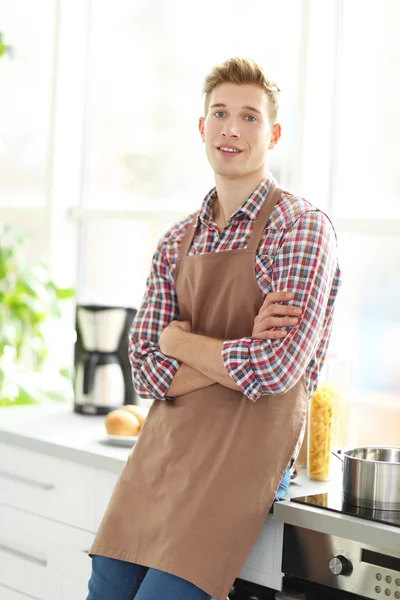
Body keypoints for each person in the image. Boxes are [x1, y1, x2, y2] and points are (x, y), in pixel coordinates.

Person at [86, 57, 342, 600]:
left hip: (239, 464)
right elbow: (148, 373)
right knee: (103, 592)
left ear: (272, 134)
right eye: (219, 113)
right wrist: (236, 348)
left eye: (249, 117)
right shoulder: (177, 240)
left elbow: (276, 370)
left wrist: (179, 342)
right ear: (202, 128)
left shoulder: (301, 228)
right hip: (162, 454)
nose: (231, 128)